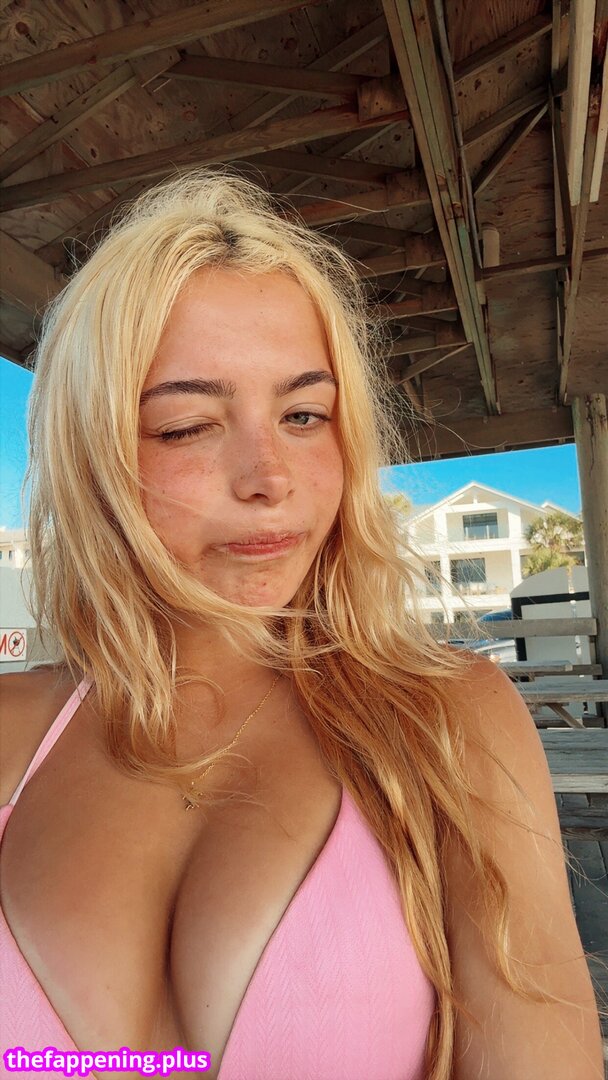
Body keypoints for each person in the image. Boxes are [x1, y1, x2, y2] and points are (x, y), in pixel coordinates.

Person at [0, 170, 603, 1080]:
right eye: (187, 426)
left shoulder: (447, 724)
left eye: (303, 415)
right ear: (92, 455)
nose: (269, 477)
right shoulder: (11, 734)